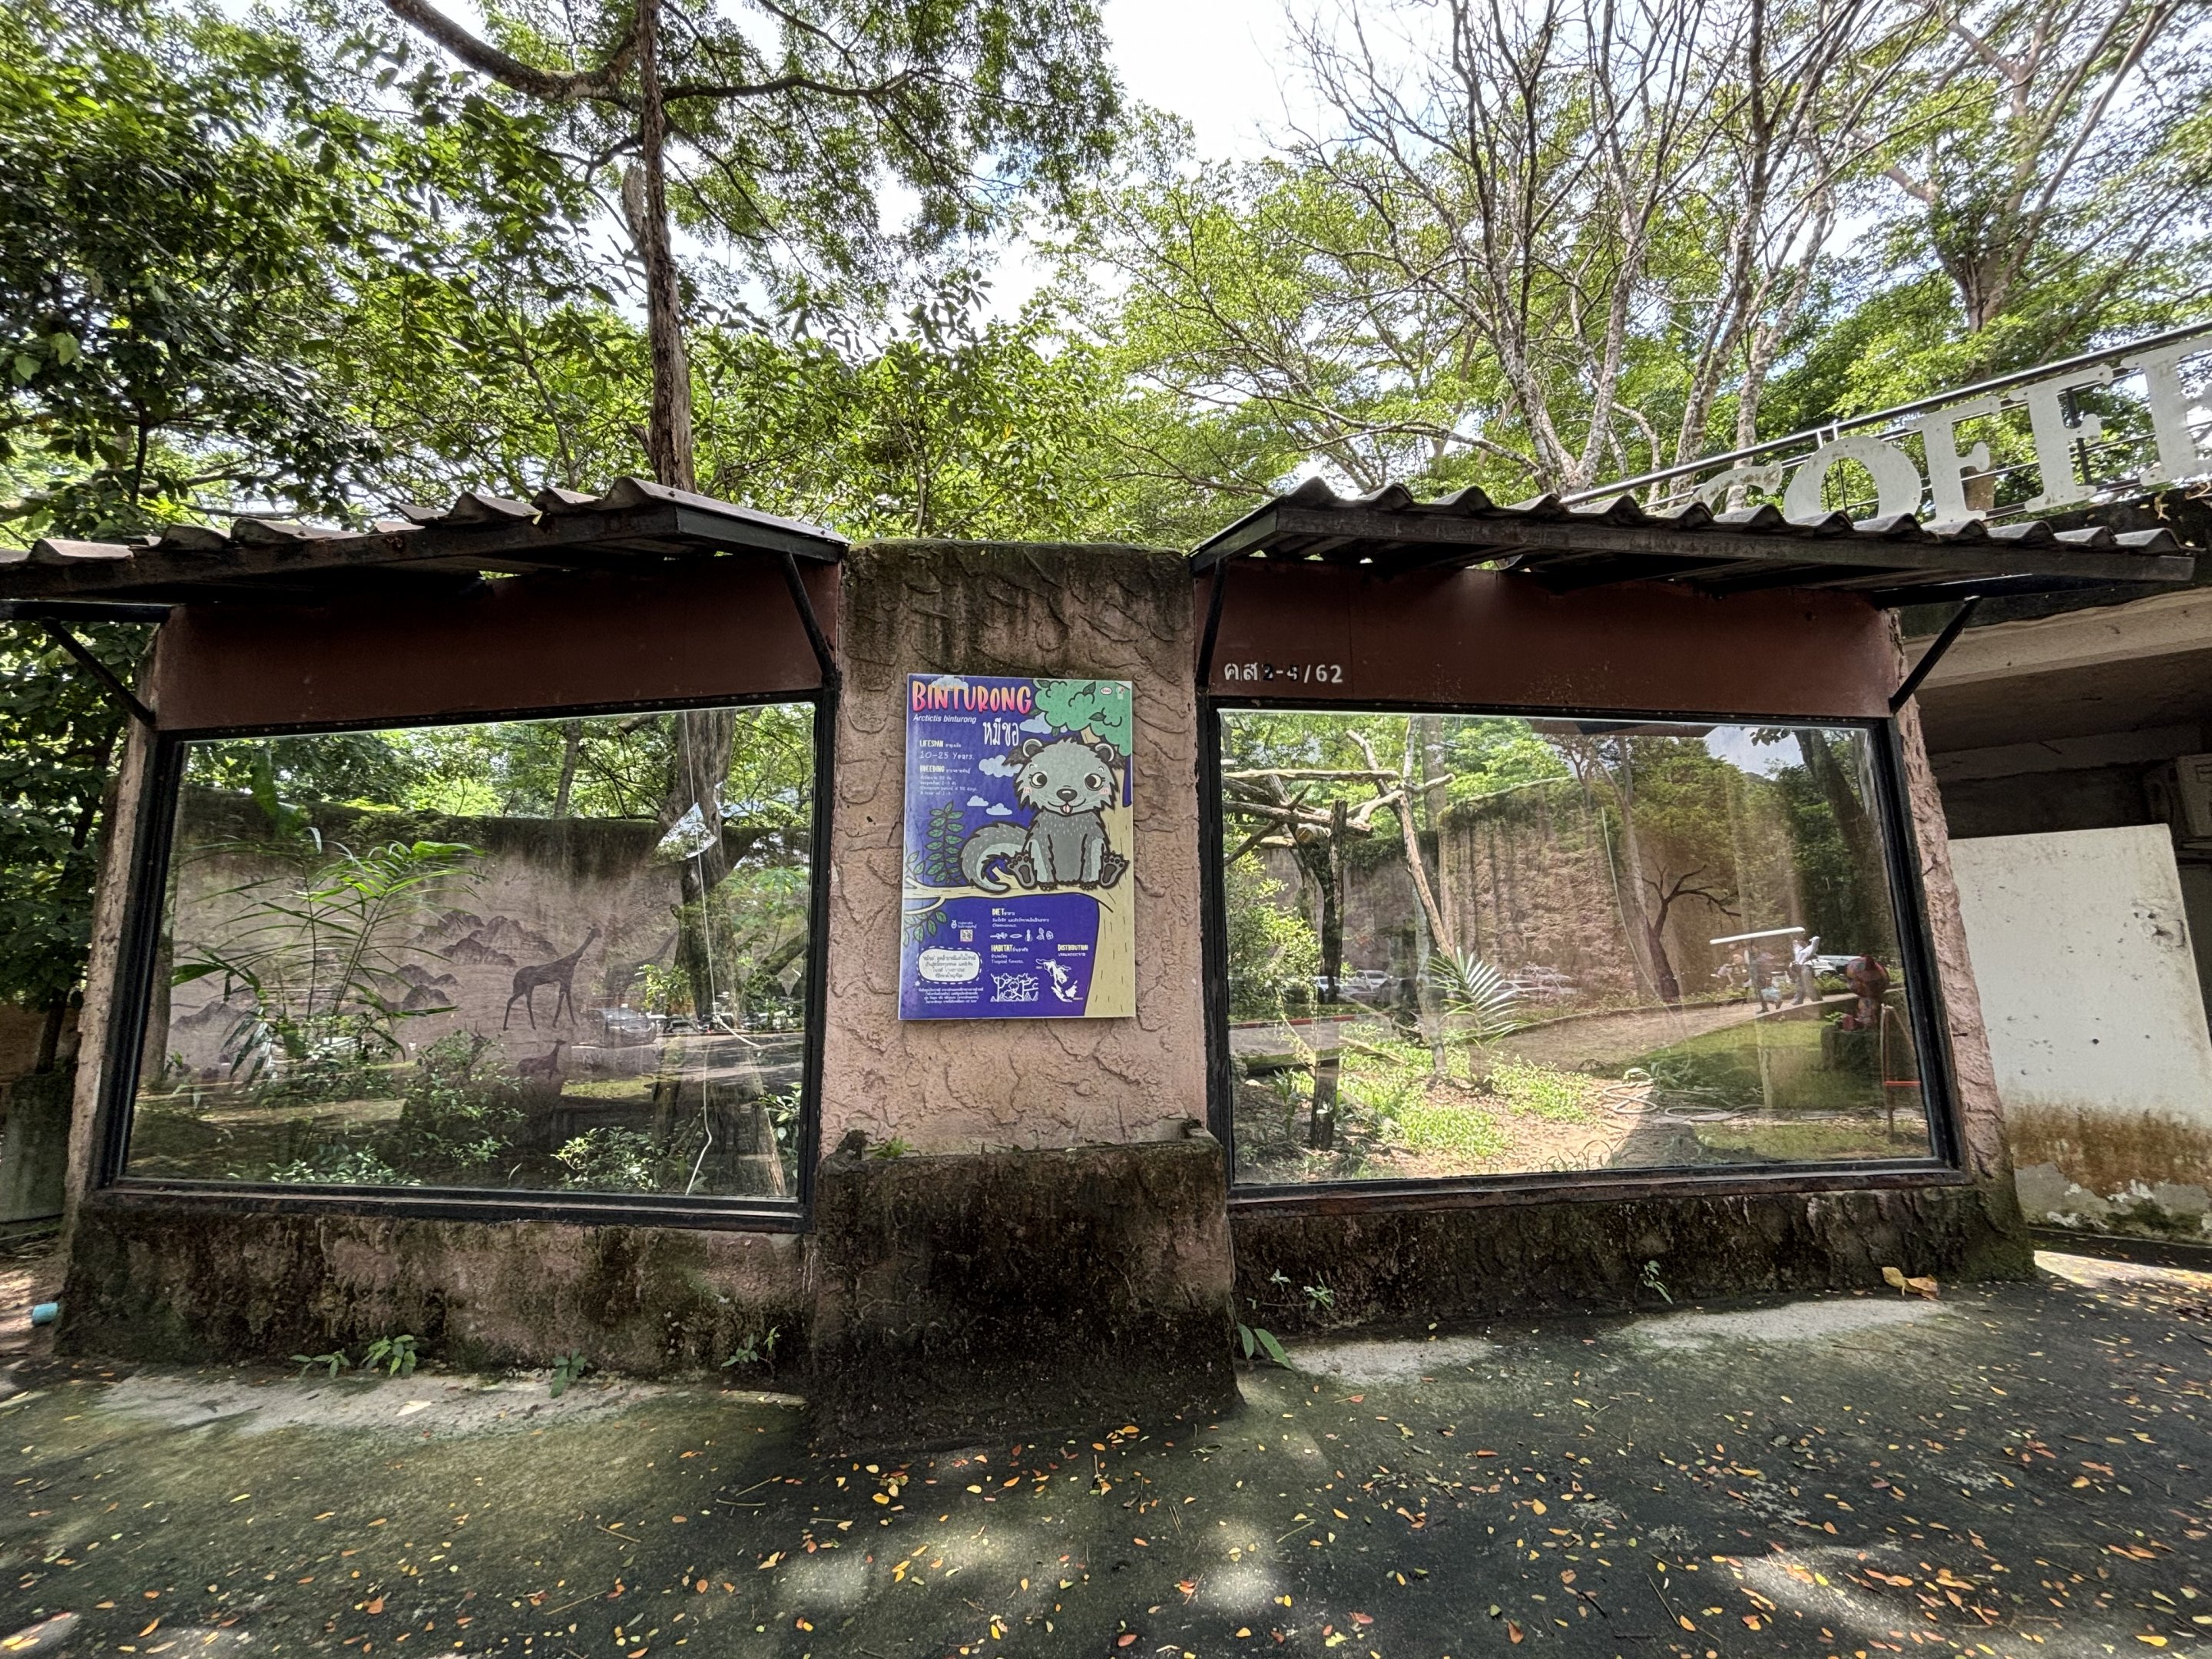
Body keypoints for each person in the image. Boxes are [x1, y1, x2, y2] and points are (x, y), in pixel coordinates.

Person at [1790, 935, 1822, 1005]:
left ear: (1805, 942)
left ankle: (1815, 999)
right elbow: (1794, 941)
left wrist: (1810, 940)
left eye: (1801, 941)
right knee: (1799, 984)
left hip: (1806, 966)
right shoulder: (1797, 948)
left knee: (1808, 984)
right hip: (1798, 968)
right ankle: (1798, 1000)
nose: (1799, 942)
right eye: (1799, 941)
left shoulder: (1810, 948)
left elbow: (1817, 939)